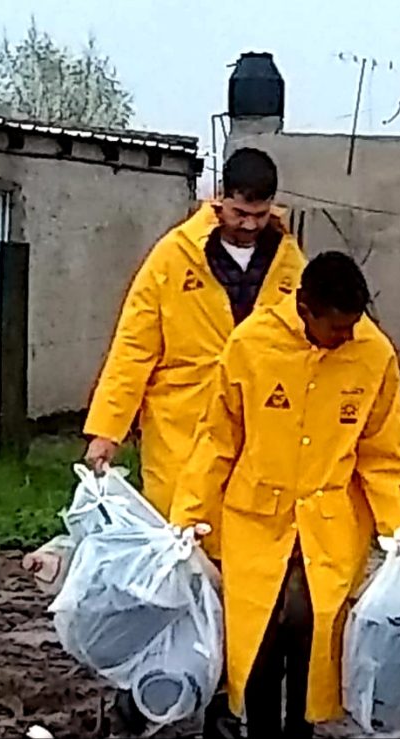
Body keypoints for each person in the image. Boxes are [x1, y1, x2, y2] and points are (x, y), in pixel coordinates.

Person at [170, 251, 400, 738]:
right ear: (304, 308)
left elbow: (382, 452)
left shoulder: (374, 354)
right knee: (259, 645)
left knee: (315, 641)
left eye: (354, 326)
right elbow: (219, 438)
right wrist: (188, 515)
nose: (347, 338)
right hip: (256, 522)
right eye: (337, 328)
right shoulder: (252, 344)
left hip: (329, 525)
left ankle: (301, 732)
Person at [83, 148, 305, 529]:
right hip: (181, 424)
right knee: (180, 530)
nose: (250, 225)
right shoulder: (174, 256)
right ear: (219, 197)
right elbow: (134, 347)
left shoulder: (290, 264)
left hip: (263, 420)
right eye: (240, 213)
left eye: (260, 215)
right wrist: (107, 431)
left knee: (253, 536)